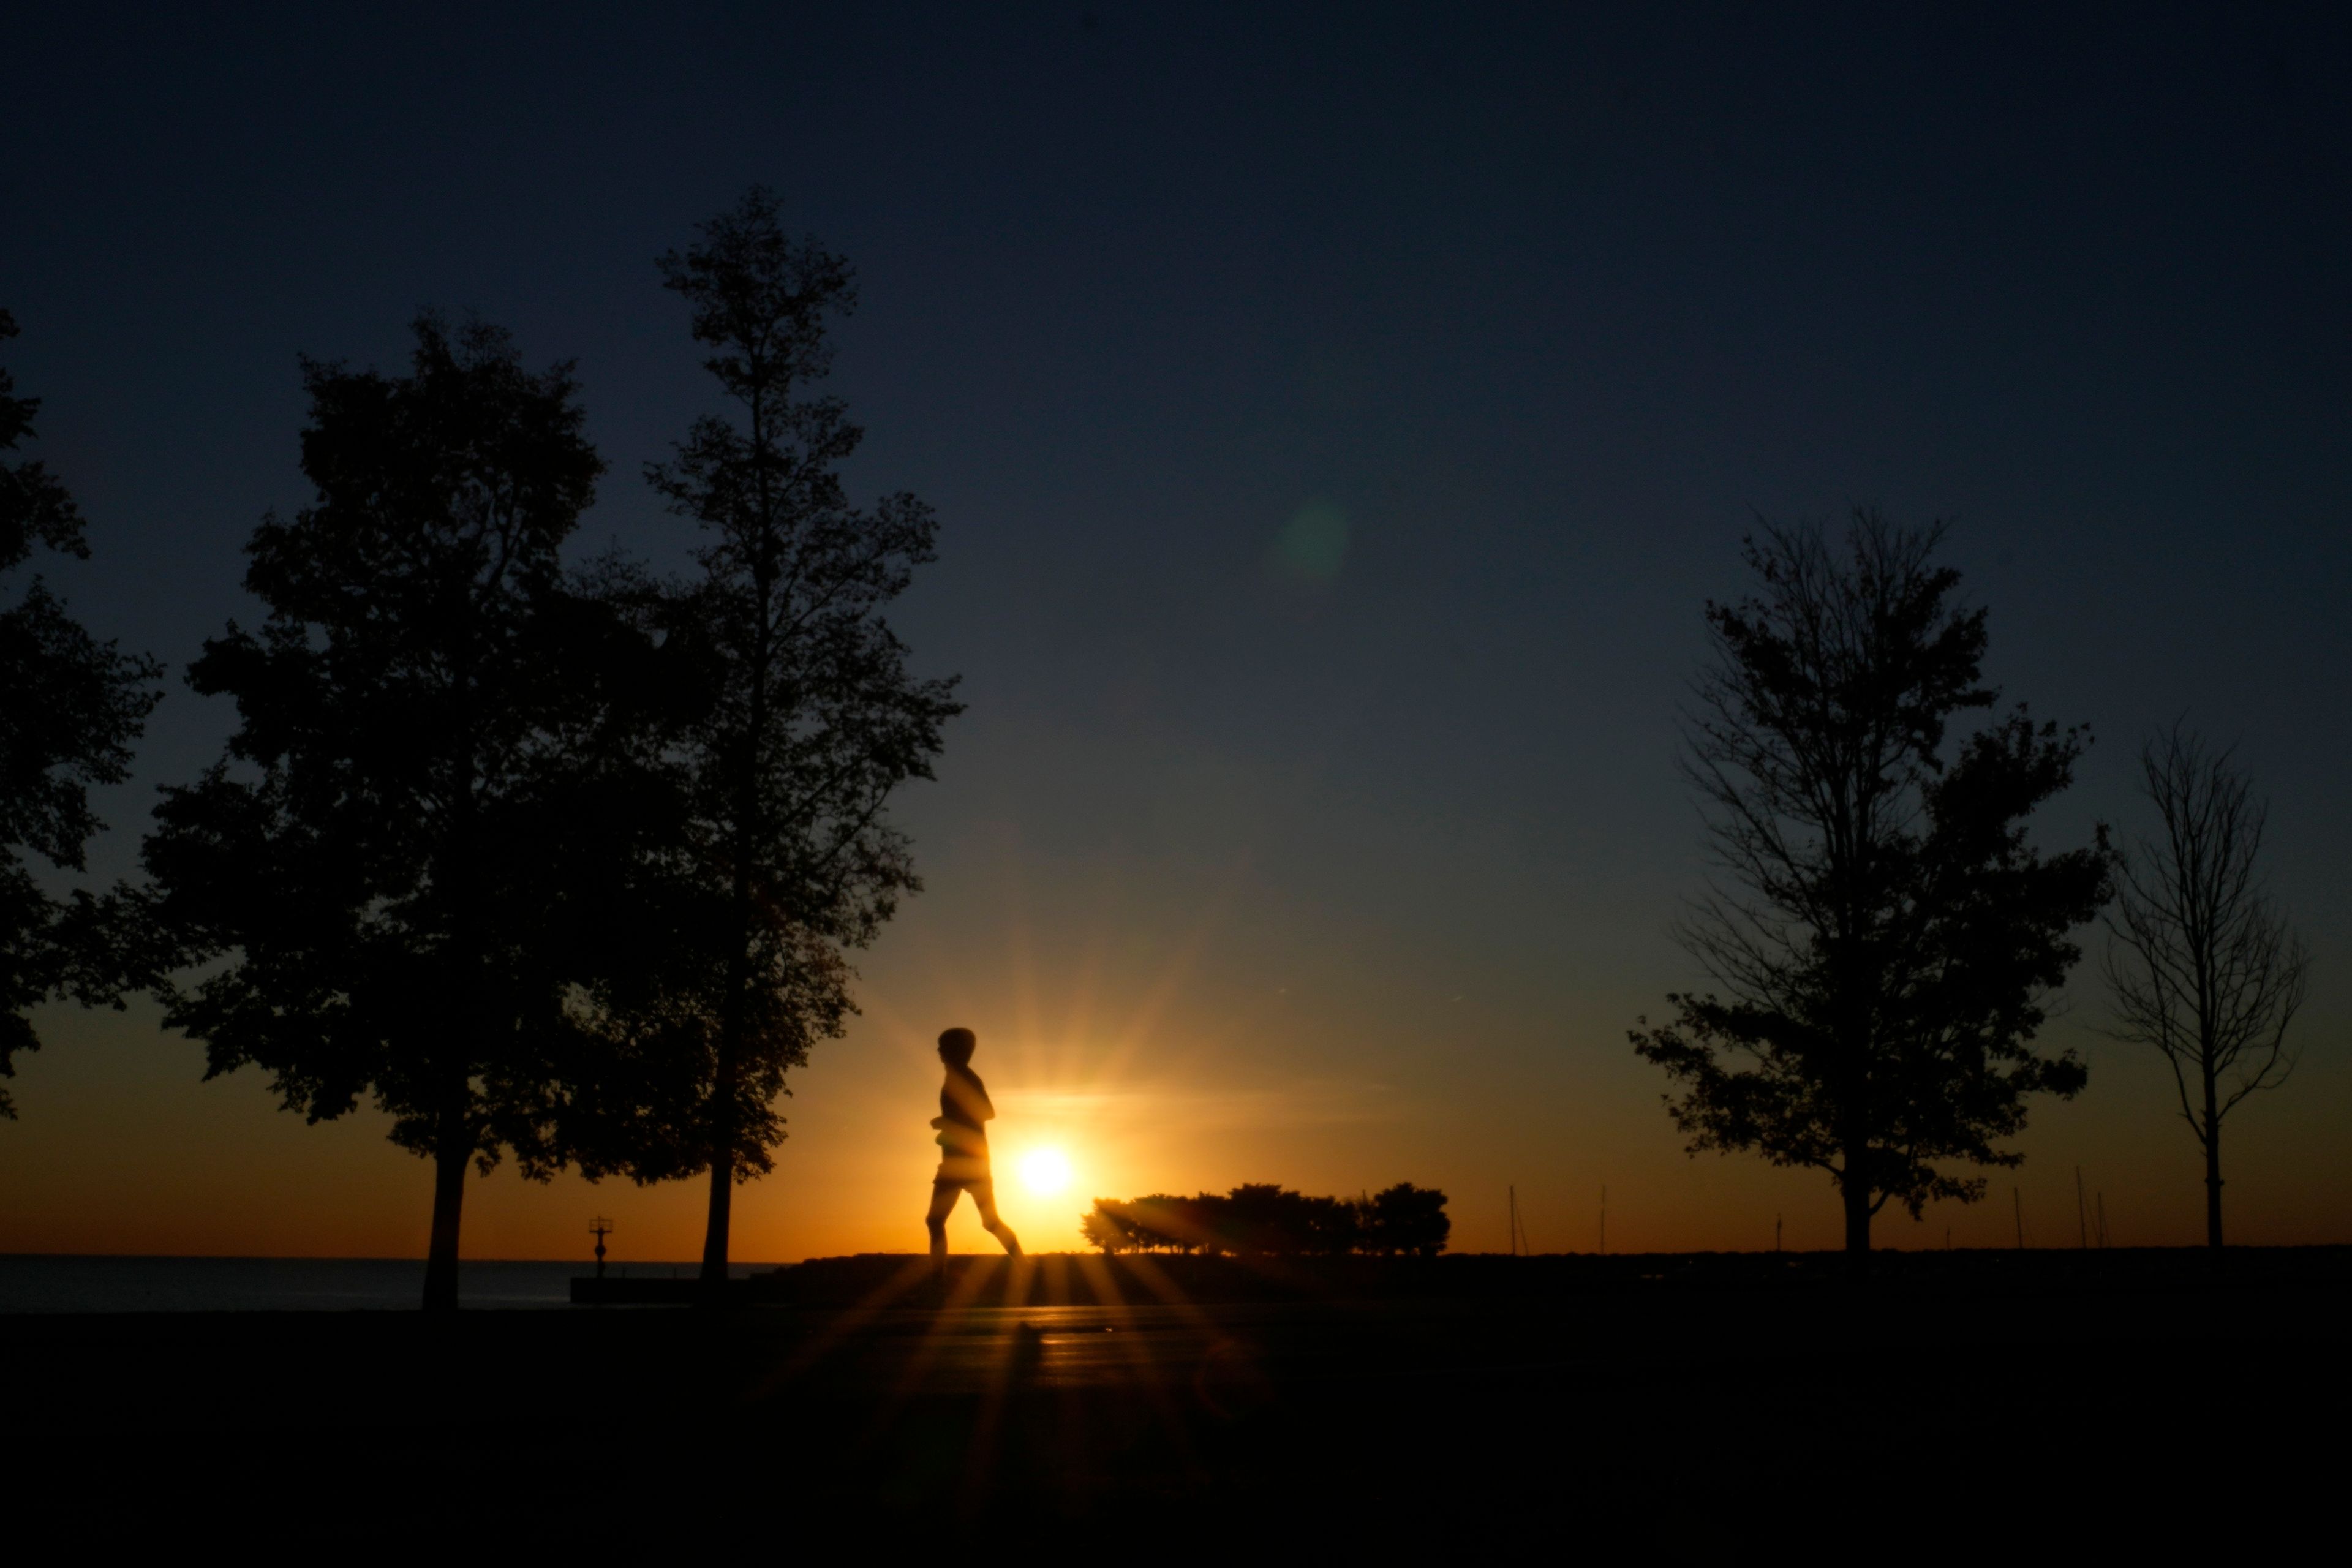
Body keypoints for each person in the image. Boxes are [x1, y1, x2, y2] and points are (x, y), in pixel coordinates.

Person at [925, 1027, 1020, 1278]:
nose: (939, 1051)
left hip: (967, 1162)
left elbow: (987, 1112)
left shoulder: (964, 1077)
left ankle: (937, 1284)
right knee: (984, 1222)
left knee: (941, 1222)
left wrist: (948, 1123)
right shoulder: (958, 1076)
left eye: (942, 1046)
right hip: (963, 1161)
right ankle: (1025, 1268)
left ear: (955, 1050)